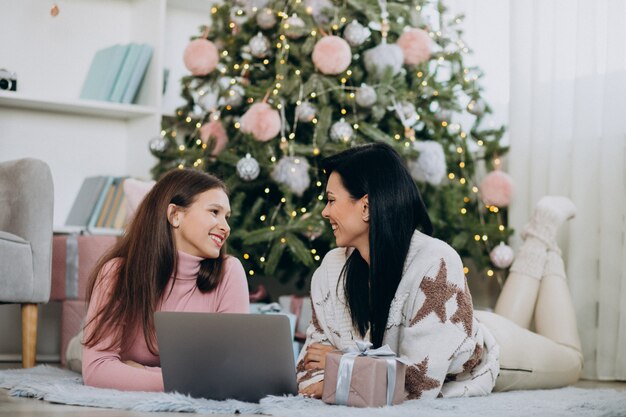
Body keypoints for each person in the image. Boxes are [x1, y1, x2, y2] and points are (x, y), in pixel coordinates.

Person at [296, 142, 582, 400]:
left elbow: (419, 385)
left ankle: (543, 233)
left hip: (490, 357)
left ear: (367, 207)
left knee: (571, 360)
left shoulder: (435, 260)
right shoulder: (331, 270)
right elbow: (309, 372)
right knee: (509, 318)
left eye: (331, 200)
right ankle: (542, 241)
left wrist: (340, 363)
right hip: (450, 327)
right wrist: (350, 373)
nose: (324, 211)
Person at [81, 168, 249, 391]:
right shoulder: (117, 272)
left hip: (135, 365)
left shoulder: (230, 271)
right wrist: (191, 380)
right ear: (175, 215)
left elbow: (232, 369)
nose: (226, 227)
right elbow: (96, 369)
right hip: (98, 342)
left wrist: (143, 372)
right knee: (78, 354)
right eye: (214, 212)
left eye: (226, 217)